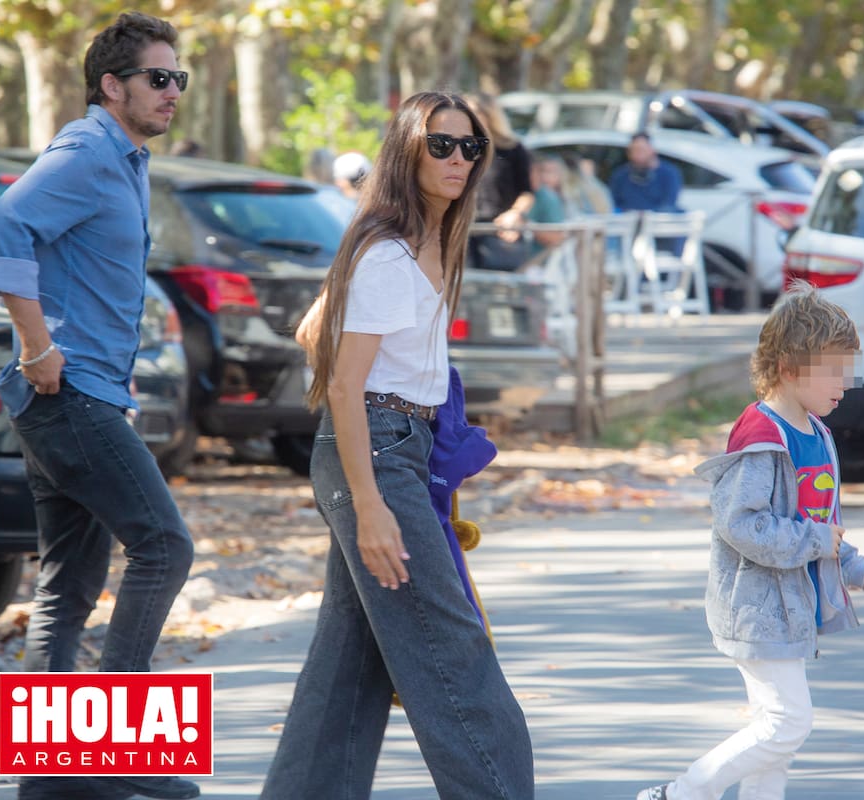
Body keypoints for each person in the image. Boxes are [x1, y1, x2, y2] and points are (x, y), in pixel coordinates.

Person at [260, 91, 534, 800]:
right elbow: (344, 387)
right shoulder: (386, 248)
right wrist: (371, 505)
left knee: (349, 665)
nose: (457, 159)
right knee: (454, 653)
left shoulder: (429, 238)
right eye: (440, 144)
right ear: (407, 150)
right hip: (373, 452)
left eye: (470, 147)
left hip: (397, 445)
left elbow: (312, 330)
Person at [0, 12, 198, 800]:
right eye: (158, 78)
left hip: (84, 393)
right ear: (113, 85)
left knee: (69, 581)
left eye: (179, 78)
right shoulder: (86, 150)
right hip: (65, 394)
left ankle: (54, 777)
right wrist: (37, 345)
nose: (173, 92)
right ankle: (116, 750)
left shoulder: (126, 159)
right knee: (164, 546)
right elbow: (3, 223)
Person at [637, 282, 864, 800]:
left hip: (791, 607)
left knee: (775, 731)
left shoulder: (818, 434)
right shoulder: (763, 436)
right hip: (757, 608)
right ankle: (682, 793)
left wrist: (858, 571)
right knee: (787, 723)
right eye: (832, 371)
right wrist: (817, 542)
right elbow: (741, 525)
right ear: (788, 368)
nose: (844, 384)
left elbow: (822, 525)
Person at [466, 92, 534, 271]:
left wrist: (515, 213)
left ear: (489, 115)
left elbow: (527, 192)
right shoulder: (460, 148)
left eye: (475, 113)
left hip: (500, 231)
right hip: (463, 228)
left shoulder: (512, 149)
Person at [608, 132, 681, 213]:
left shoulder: (669, 173)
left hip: (656, 222)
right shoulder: (620, 175)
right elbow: (613, 203)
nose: (638, 155)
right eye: (634, 150)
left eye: (641, 150)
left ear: (651, 150)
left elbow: (668, 204)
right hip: (625, 222)